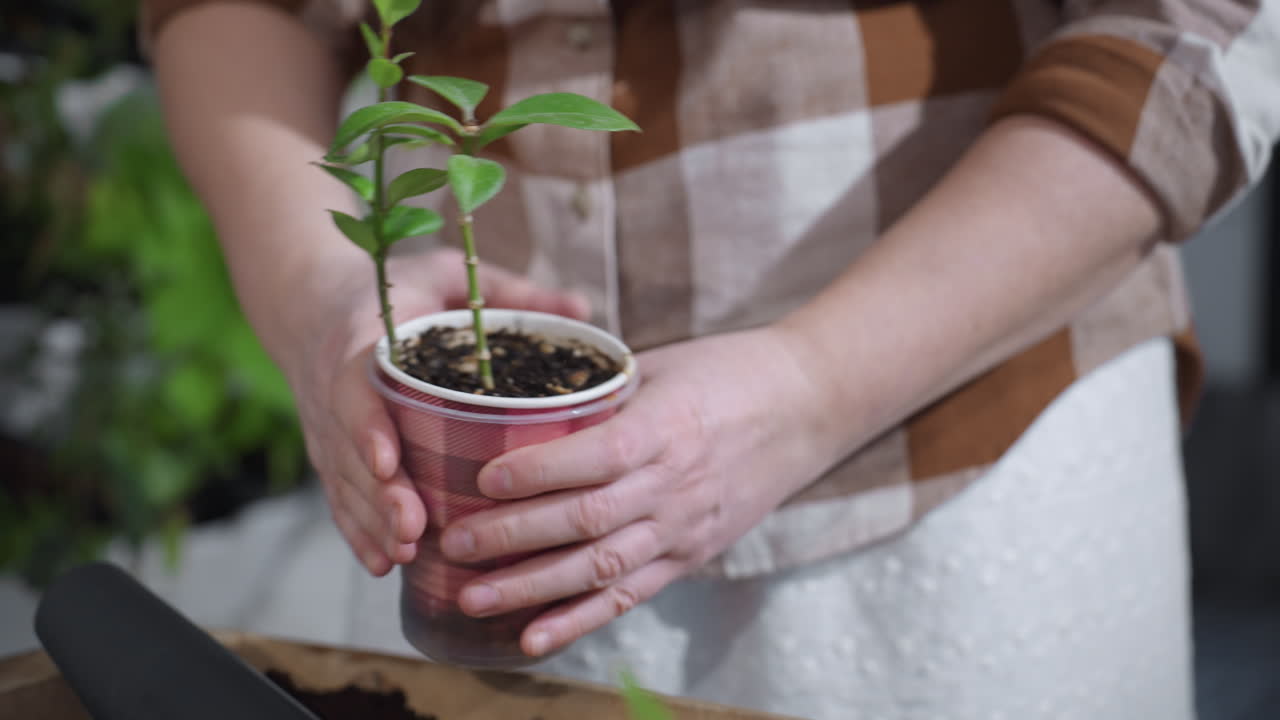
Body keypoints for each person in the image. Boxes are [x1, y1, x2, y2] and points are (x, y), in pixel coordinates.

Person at [145, 0, 1280, 717]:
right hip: (470, 485)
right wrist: (321, 292)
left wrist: (811, 390)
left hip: (952, 455)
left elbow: (1195, 32)